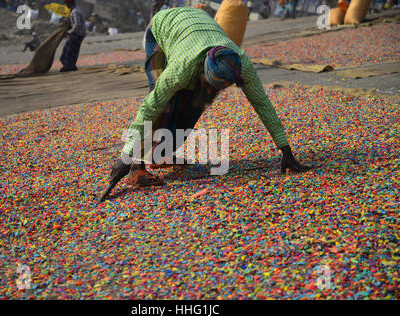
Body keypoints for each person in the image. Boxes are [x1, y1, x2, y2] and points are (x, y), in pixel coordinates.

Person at [107, 7, 312, 188]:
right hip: (163, 27)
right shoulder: (180, 70)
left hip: (198, 25)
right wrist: (125, 157)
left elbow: (262, 104)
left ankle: (160, 154)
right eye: (209, 86)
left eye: (217, 89)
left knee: (194, 105)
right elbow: (149, 108)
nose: (211, 93)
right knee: (164, 104)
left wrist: (286, 152)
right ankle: (136, 168)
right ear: (202, 71)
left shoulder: (240, 63)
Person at [59, 0, 86, 72]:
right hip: (80, 33)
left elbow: (77, 24)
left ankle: (68, 65)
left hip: (78, 33)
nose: (66, 5)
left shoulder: (75, 11)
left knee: (68, 47)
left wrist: (69, 32)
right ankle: (71, 65)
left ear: (71, 3)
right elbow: (71, 20)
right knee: (74, 50)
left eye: (67, 3)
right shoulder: (74, 10)